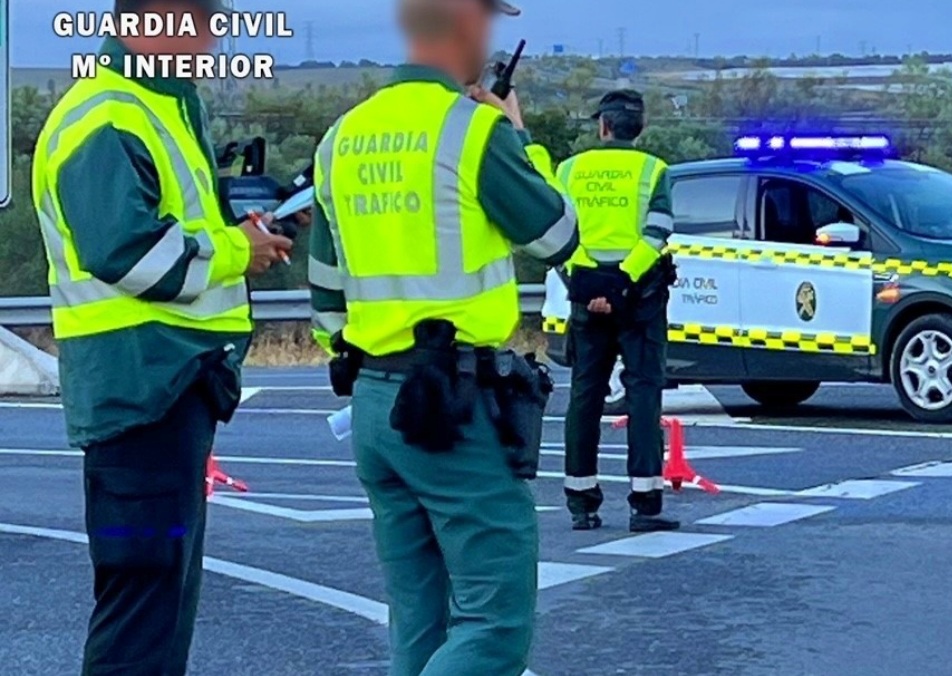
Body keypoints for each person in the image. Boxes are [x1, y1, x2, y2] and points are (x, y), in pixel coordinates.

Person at [307, 0, 577, 674]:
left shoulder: (341, 138)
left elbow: (324, 297)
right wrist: (519, 138)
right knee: (494, 623)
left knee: (419, 621)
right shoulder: (474, 132)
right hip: (456, 408)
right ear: (465, 26)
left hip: (376, 401)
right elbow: (557, 237)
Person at [29, 0, 293, 674]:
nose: (216, 34)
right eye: (205, 18)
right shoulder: (108, 114)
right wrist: (238, 251)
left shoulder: (157, 105)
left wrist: (238, 240)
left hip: (165, 390)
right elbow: (129, 255)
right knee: (143, 599)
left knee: (155, 595)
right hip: (140, 391)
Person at [558, 89, 678, 532]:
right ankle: (645, 503)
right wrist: (623, 282)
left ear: (602, 127)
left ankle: (581, 504)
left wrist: (589, 287)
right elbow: (658, 233)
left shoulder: (569, 170)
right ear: (639, 129)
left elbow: (559, 235)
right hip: (640, 300)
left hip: (588, 300)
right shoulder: (653, 170)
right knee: (644, 395)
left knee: (585, 396)